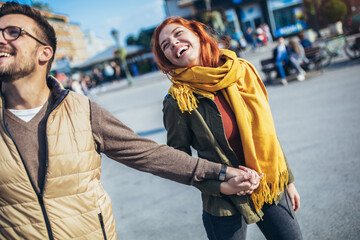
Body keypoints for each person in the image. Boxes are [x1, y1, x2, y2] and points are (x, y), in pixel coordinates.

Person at [0, 2, 261, 239]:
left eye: (12, 32)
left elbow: (149, 154)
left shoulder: (83, 111)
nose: (0, 39)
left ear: (44, 53)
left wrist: (222, 173)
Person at [152, 17, 302, 240]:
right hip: (223, 202)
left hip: (268, 184)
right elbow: (179, 161)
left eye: (177, 34)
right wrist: (222, 187)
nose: (173, 43)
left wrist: (286, 180)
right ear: (166, 58)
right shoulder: (177, 101)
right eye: (165, 45)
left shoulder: (241, 72)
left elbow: (266, 132)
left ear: (198, 35)